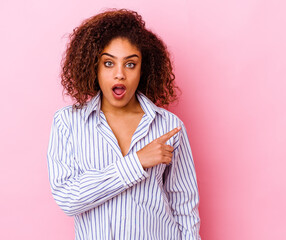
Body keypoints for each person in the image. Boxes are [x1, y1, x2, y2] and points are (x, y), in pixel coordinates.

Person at [47, 9, 200, 240]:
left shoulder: (168, 126)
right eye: (109, 63)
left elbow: (184, 206)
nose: (119, 74)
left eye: (130, 64)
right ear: (94, 67)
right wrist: (137, 162)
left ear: (143, 69)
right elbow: (69, 198)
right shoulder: (67, 123)